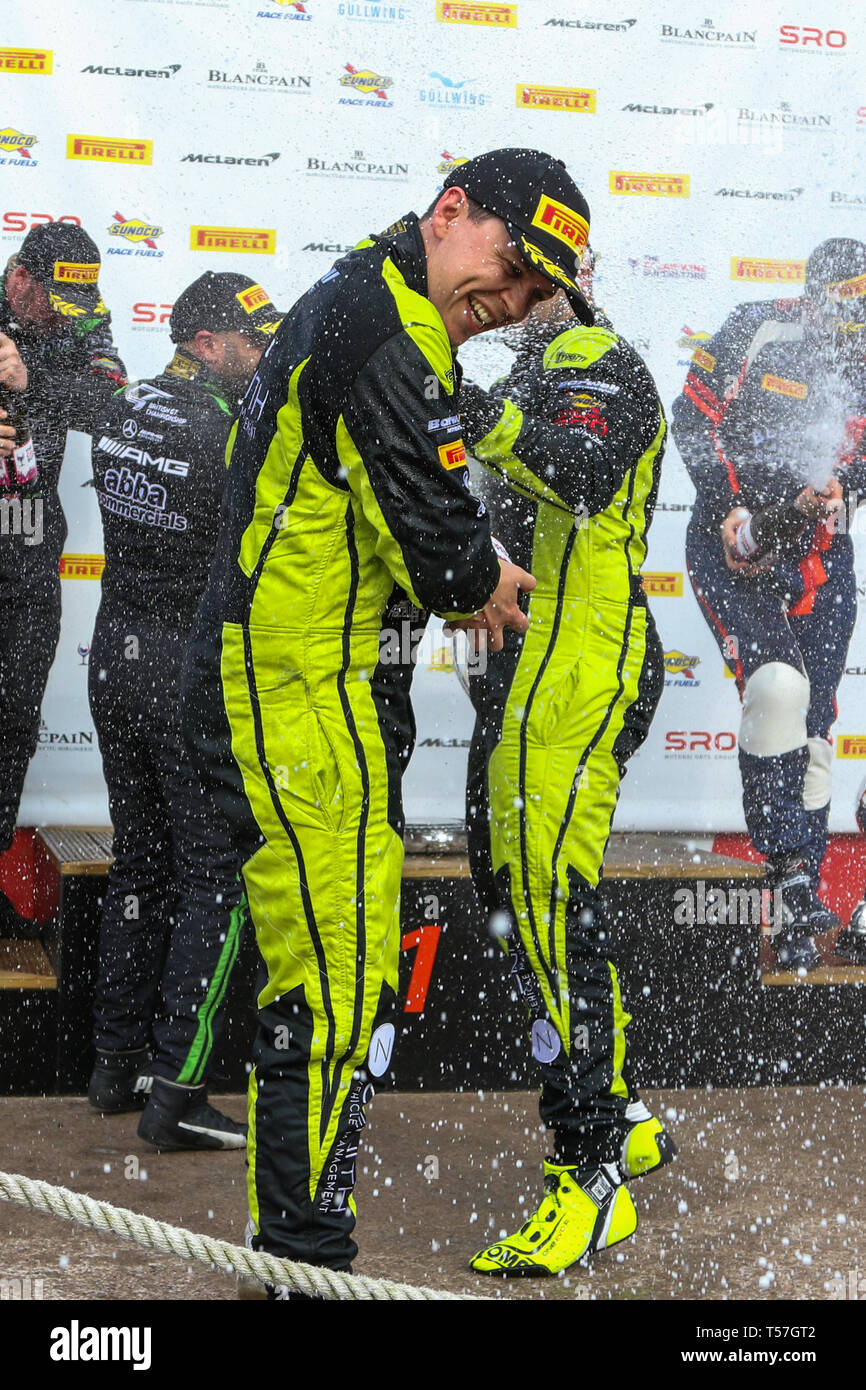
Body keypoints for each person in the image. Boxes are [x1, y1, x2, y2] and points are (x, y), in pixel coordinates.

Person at [179, 149, 593, 1284]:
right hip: (285, 698)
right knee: (325, 993)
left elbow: (402, 515)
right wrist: (483, 577)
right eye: (509, 270)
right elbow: (440, 543)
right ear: (449, 213)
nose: (508, 305)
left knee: (351, 984)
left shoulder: (373, 301)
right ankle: (308, 1264)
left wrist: (462, 561)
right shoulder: (381, 324)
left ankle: (304, 1253)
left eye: (532, 296)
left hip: (327, 703)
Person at [456, 255, 671, 1277]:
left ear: (559, 284)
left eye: (512, 277)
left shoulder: (588, 352)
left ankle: (591, 1175)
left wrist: (458, 403)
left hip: (579, 671)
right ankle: (616, 1111)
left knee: (540, 899)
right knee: (523, 893)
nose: (490, 295)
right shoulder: (537, 362)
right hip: (532, 674)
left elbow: (576, 474)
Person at [87, 273, 283, 1150]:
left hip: (114, 660)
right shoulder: (230, 434)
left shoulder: (124, 409)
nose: (264, 351)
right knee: (216, 877)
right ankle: (176, 1094)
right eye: (251, 339)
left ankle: (113, 1068)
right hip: (180, 676)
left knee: (139, 870)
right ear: (204, 342)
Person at [672, 239, 866, 971]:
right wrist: (727, 507)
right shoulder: (756, 325)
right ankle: (786, 865)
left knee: (816, 732)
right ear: (812, 298)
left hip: (821, 555)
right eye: (842, 310)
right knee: (776, 688)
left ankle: (798, 905)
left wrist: (841, 492)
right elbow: (691, 418)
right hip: (734, 540)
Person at [0, 222, 125, 933]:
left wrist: (30, 380)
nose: (63, 317)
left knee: (14, 719)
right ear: (20, 277)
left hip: (27, 551)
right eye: (51, 303)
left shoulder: (84, 312)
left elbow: (113, 403)